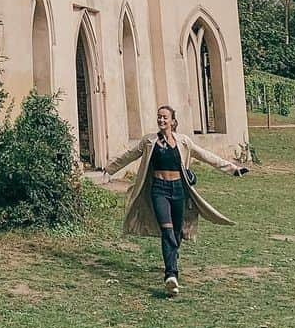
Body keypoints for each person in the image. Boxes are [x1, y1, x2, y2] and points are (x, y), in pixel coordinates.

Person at [104, 105, 248, 297]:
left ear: (173, 121)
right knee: (167, 230)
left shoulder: (183, 141)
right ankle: (171, 275)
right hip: (158, 190)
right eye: (159, 117)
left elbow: (206, 156)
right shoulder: (149, 141)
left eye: (165, 117)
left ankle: (172, 256)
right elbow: (129, 155)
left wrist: (233, 169)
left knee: (177, 231)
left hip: (179, 189)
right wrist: (110, 168)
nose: (161, 120)